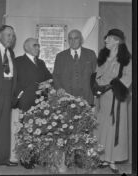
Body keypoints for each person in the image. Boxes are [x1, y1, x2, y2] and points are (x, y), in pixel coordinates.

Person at [94, 29, 132, 173]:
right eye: (106, 39)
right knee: (102, 126)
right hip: (104, 97)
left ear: (117, 40)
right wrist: (99, 85)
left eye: (109, 39)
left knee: (115, 127)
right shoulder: (103, 57)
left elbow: (128, 77)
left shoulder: (126, 59)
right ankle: (103, 158)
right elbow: (97, 75)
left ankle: (112, 160)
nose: (105, 41)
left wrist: (113, 84)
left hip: (117, 99)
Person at [0, 25, 18, 171]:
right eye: (8, 35)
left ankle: (2, 158)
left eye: (12, 36)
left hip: (8, 91)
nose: (11, 38)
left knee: (5, 126)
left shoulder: (10, 52)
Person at [53, 29, 97, 105]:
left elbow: (96, 74)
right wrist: (59, 88)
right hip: (66, 97)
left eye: (76, 38)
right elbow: (56, 75)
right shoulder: (60, 56)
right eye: (70, 38)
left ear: (81, 40)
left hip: (87, 96)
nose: (73, 41)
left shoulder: (91, 54)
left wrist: (96, 91)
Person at [13, 37, 52, 112]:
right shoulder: (17, 61)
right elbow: (14, 82)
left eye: (38, 46)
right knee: (25, 122)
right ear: (26, 47)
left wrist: (47, 83)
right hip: (25, 100)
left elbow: (49, 78)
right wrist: (20, 96)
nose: (38, 48)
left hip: (42, 99)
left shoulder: (41, 62)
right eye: (35, 45)